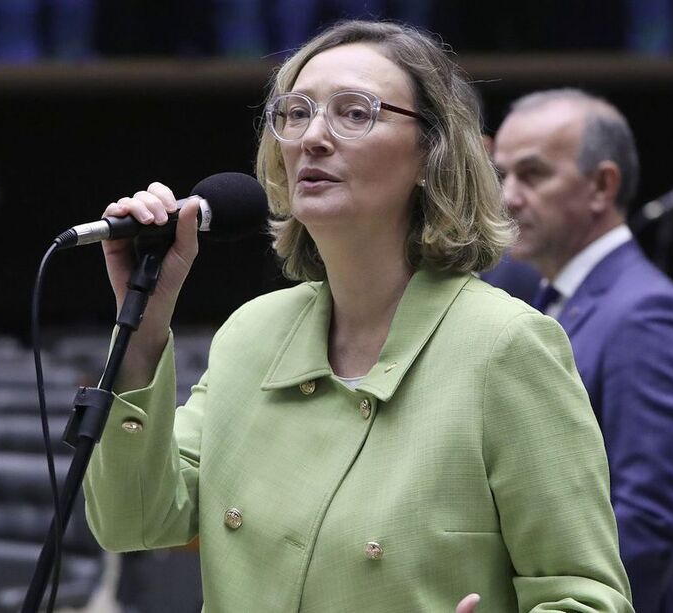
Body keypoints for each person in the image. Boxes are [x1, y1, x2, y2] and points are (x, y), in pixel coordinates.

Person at [83, 22, 633, 612]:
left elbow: (587, 597)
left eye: (354, 112)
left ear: (431, 153)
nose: (312, 137)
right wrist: (141, 327)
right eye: (295, 113)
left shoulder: (507, 346)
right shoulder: (252, 334)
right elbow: (132, 521)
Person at [482, 89, 673, 613]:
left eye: (533, 174)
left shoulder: (648, 315)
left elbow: (645, 525)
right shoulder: (545, 299)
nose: (509, 197)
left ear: (601, 186)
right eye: (503, 175)